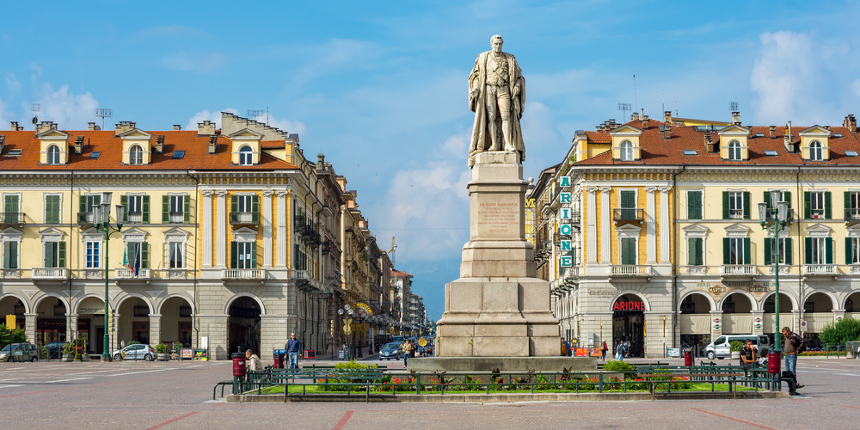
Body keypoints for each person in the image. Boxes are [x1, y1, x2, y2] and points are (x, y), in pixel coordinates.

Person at [467, 35, 526, 167]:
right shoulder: (483, 57)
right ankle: (493, 143)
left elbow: (518, 77)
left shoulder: (510, 58)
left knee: (506, 117)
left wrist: (516, 86)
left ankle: (508, 144)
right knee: (491, 117)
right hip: (488, 88)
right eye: (495, 44)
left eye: (500, 44)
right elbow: (475, 76)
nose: (498, 46)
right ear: (491, 44)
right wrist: (476, 88)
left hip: (504, 88)